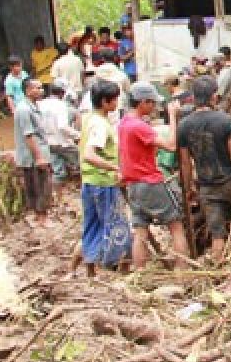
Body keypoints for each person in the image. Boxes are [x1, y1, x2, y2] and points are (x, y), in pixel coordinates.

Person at [177, 75, 231, 259]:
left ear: (193, 97)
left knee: (217, 234)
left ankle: (217, 270)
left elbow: (185, 164)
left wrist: (189, 188)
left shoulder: (183, 126)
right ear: (214, 97)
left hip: (207, 188)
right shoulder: (226, 121)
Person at [118, 82, 188, 270]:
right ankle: (182, 269)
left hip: (133, 185)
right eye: (152, 103)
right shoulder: (139, 126)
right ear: (142, 102)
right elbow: (171, 146)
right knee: (176, 226)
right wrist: (173, 117)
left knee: (140, 231)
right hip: (149, 182)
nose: (154, 107)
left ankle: (139, 272)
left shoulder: (123, 123)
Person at [79, 80, 132, 275]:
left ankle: (91, 269)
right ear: (104, 102)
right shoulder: (101, 125)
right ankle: (118, 267)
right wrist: (115, 168)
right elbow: (90, 154)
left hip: (89, 181)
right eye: (115, 99)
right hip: (104, 182)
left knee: (92, 224)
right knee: (117, 225)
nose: (117, 102)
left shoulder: (89, 119)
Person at [13, 77, 53, 225]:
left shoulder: (33, 106)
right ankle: (41, 217)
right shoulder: (24, 109)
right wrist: (39, 157)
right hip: (33, 156)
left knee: (38, 184)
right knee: (41, 185)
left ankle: (39, 215)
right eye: (38, 88)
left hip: (38, 152)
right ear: (28, 90)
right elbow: (28, 135)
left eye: (41, 87)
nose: (41, 90)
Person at [38, 79, 80, 190]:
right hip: (61, 142)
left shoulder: (40, 104)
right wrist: (78, 135)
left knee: (58, 172)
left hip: (47, 143)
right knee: (82, 161)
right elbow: (63, 127)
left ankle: (55, 194)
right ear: (62, 93)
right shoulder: (61, 105)